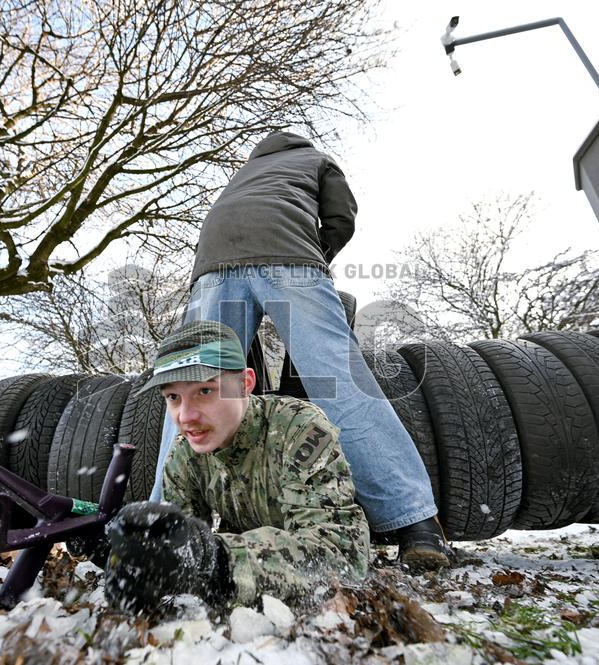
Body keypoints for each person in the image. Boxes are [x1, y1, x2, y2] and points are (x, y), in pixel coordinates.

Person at [148, 130, 452, 569]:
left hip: (213, 261)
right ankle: (417, 525)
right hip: (287, 251)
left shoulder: (244, 174)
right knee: (341, 382)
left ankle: (162, 525)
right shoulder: (316, 161)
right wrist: (314, 259)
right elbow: (340, 217)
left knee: (191, 382)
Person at [105, 321, 370, 612]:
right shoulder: (184, 453)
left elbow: (341, 556)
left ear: (245, 384)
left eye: (205, 391)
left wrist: (216, 561)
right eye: (173, 397)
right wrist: (129, 557)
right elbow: (182, 548)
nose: (185, 416)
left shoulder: (300, 430)